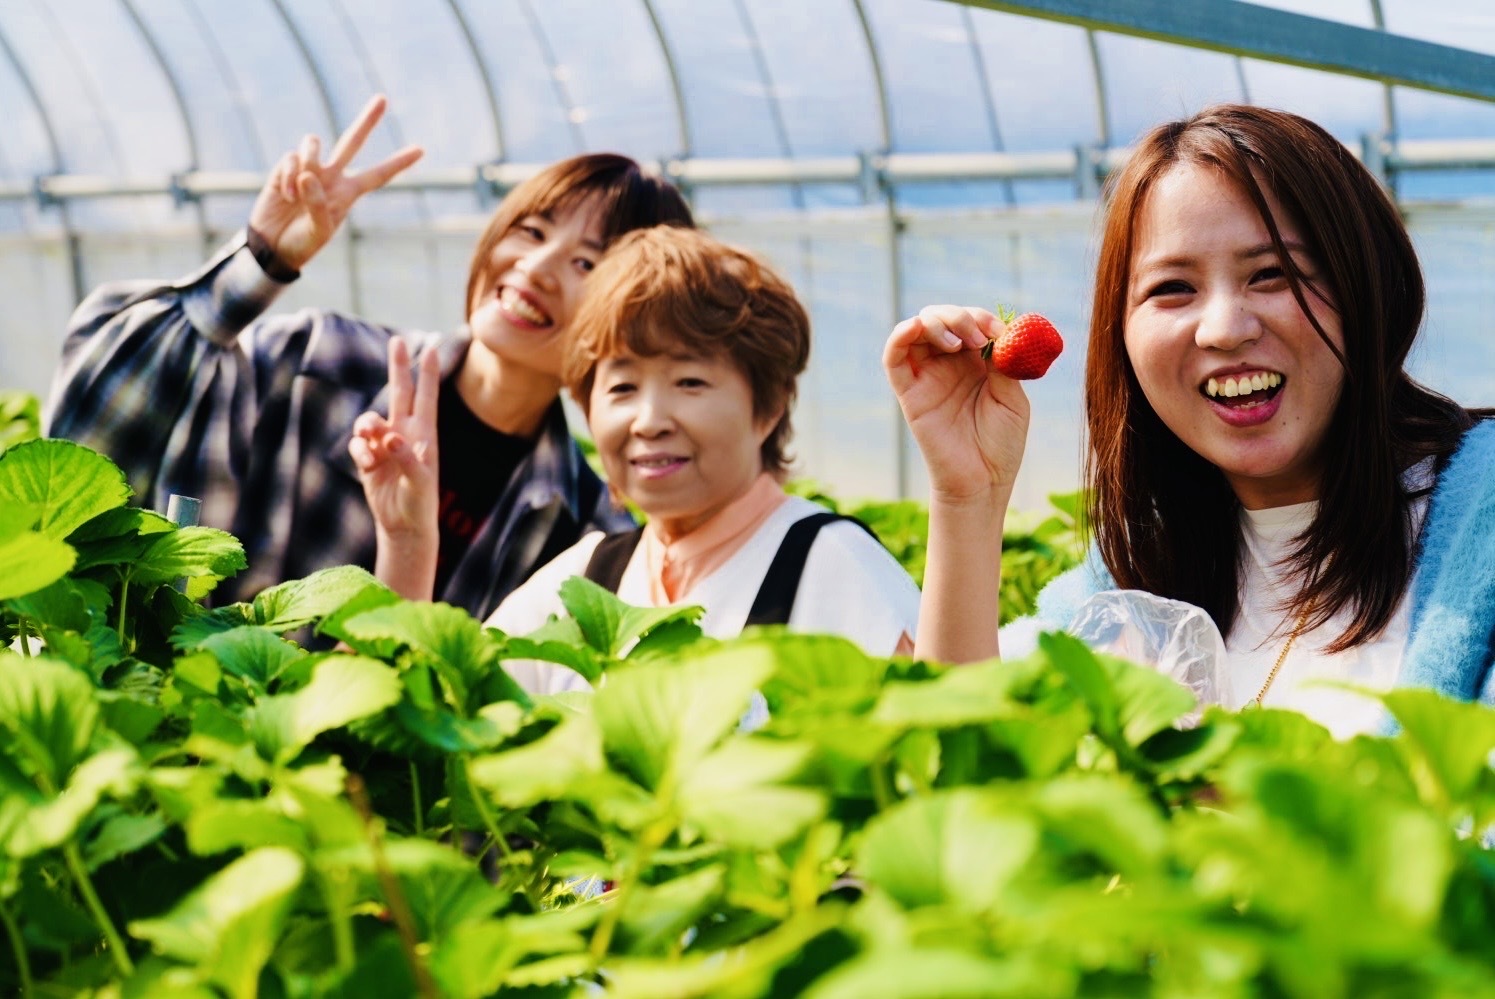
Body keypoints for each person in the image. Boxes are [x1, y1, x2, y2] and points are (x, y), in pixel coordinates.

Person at [884, 103, 1495, 739]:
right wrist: (967, 500)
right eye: (1173, 288)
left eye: (1273, 275)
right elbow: (967, 774)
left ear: (1368, 291)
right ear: (1121, 337)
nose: (1225, 328)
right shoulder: (1127, 582)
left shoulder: (1480, 531)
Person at [45, 95, 693, 621]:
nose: (536, 268)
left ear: (626, 321)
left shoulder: (580, 531)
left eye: (585, 262)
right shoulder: (317, 363)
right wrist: (261, 259)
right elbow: (94, 438)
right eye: (531, 230)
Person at [356, 224, 920, 694]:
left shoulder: (832, 565)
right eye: (621, 387)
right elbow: (436, 731)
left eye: (690, 381)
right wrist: (407, 545)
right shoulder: (587, 578)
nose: (649, 419)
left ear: (768, 407)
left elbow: (947, 741)